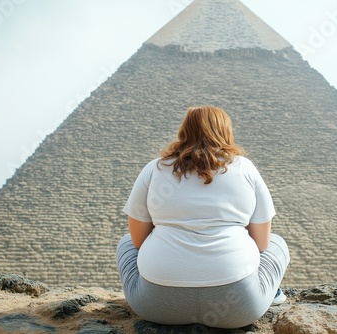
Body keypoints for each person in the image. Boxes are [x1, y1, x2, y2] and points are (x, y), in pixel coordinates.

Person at [115, 106, 290, 329]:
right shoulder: (246, 169)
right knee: (277, 243)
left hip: (155, 306)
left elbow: (138, 241)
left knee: (126, 242)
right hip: (237, 307)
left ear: (184, 130)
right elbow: (262, 243)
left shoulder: (154, 169)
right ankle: (270, 292)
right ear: (226, 130)